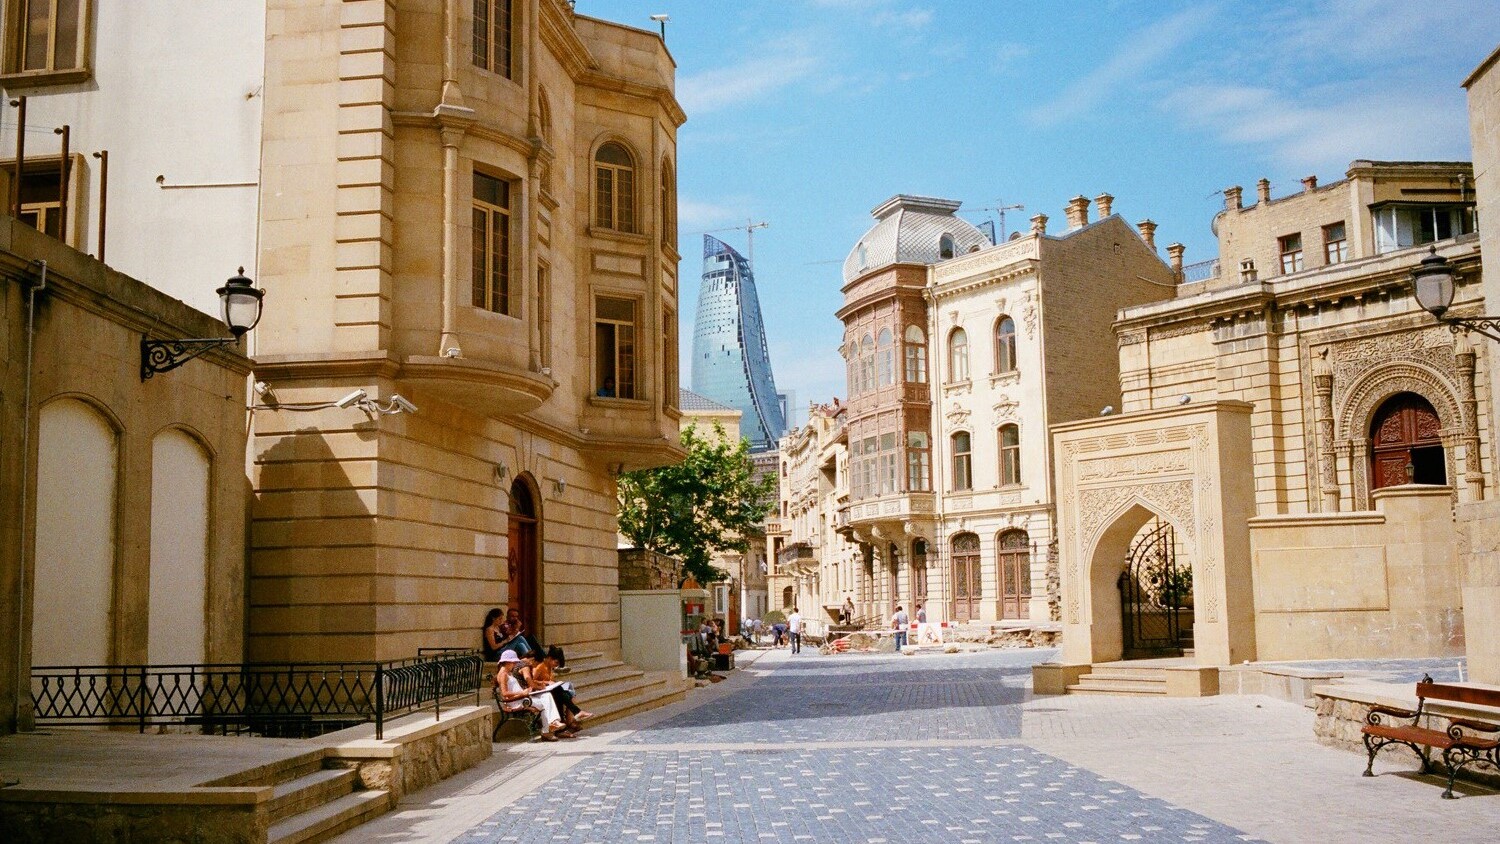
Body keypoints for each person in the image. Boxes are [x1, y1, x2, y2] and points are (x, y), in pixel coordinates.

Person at [495, 652, 570, 741]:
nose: (515, 664)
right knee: (546, 702)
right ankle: (548, 729)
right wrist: (522, 693)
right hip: (517, 701)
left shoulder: (507, 672)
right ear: (508, 662)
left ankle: (553, 723)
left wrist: (527, 691)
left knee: (546, 695)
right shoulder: (503, 674)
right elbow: (504, 693)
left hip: (521, 697)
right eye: (513, 662)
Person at [529, 646, 591, 726]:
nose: (556, 665)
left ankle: (567, 720)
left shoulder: (550, 668)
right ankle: (575, 714)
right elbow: (532, 681)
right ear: (550, 658)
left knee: (566, 693)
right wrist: (547, 682)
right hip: (539, 692)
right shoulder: (540, 666)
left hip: (549, 690)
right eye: (556, 663)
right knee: (560, 693)